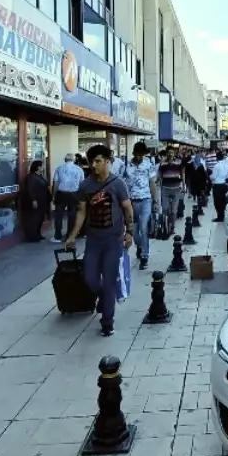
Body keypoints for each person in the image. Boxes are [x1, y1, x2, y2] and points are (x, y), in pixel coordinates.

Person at [65, 144, 134, 336]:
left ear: (107, 162)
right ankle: (104, 297)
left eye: (98, 161)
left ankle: (107, 322)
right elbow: (81, 212)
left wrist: (130, 232)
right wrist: (71, 236)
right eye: (91, 162)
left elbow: (128, 209)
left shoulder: (118, 184)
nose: (94, 165)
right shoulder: (85, 185)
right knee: (90, 278)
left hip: (113, 240)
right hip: (93, 240)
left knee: (110, 280)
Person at [121, 141, 157, 270]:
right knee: (134, 230)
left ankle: (144, 256)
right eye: (138, 154)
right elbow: (123, 185)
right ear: (134, 153)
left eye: (142, 154)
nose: (140, 157)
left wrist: (155, 201)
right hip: (131, 202)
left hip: (146, 200)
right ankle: (139, 246)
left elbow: (152, 183)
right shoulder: (127, 166)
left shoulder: (148, 165)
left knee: (144, 228)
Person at [51, 153, 84, 243]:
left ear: (65, 159)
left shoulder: (59, 168)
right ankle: (69, 235)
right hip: (74, 194)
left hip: (61, 193)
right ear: (73, 160)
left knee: (59, 215)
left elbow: (56, 183)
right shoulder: (79, 169)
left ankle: (57, 235)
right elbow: (82, 184)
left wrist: (54, 196)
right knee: (72, 215)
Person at [22, 160, 50, 242]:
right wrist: (33, 200)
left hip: (42, 200)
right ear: (38, 167)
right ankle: (32, 236)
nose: (43, 168)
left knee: (40, 218)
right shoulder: (31, 177)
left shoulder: (39, 176)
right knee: (35, 219)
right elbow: (30, 189)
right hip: (36, 201)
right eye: (42, 166)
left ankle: (38, 234)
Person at [158, 148, 186, 226]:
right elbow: (160, 175)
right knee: (165, 209)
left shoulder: (179, 162)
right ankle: (165, 226)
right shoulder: (162, 164)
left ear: (174, 153)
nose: (170, 154)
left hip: (176, 189)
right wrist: (160, 185)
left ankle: (172, 226)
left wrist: (183, 186)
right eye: (169, 152)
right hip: (165, 189)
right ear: (167, 154)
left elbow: (183, 174)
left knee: (174, 210)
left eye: (172, 152)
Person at [210, 148, 228, 222]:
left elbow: (213, 177)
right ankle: (222, 216)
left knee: (217, 202)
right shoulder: (225, 165)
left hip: (217, 186)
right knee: (222, 202)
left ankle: (219, 217)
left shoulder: (216, 166)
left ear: (217, 158)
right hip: (224, 185)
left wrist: (210, 177)